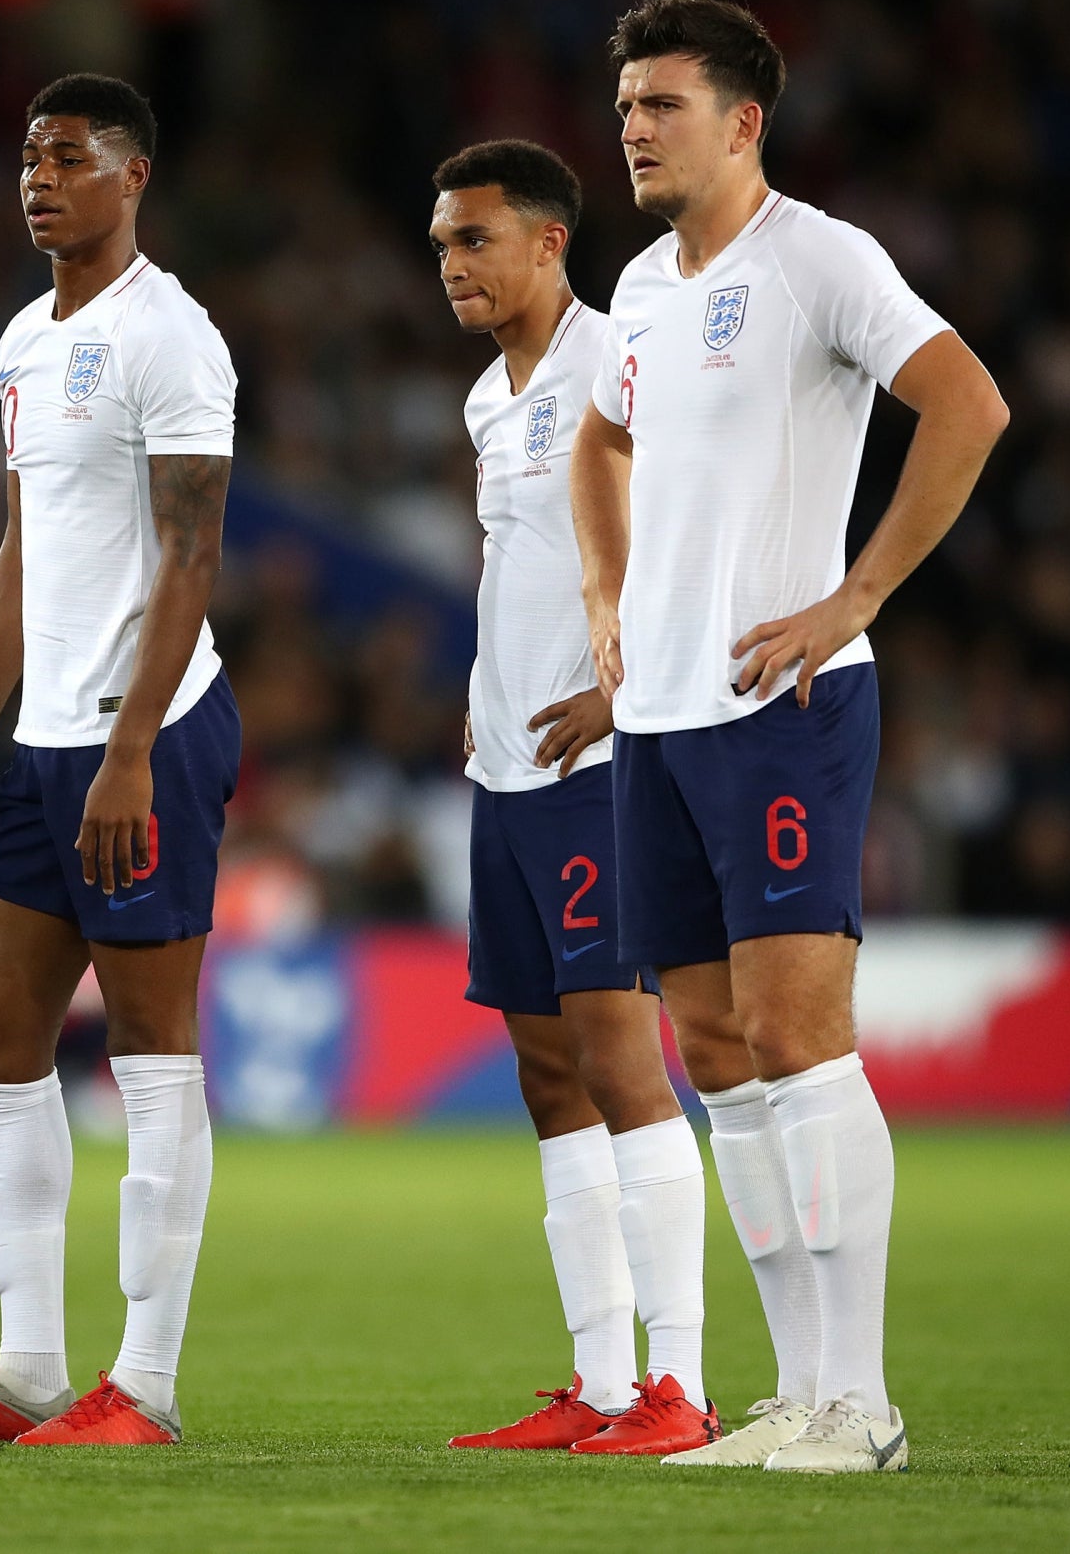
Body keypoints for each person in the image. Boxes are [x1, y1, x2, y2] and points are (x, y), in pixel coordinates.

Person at [570, 0, 1011, 1473]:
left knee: (797, 1034)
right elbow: (604, 438)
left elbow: (968, 403)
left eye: (663, 104)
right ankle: (792, 1393)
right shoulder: (634, 286)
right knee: (711, 1044)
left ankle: (861, 1398)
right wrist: (605, 590)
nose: (633, 126)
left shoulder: (820, 257)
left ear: (744, 120)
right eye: (626, 103)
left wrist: (857, 591)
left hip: (786, 706)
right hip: (659, 718)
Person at [0, 74, 239, 1447]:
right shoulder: (23, 344)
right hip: (41, 740)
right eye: (28, 156)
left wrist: (130, 745)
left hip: (143, 737)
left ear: (135, 174)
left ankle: (143, 1386)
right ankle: (34, 1365)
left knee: (151, 1049)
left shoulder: (176, 338)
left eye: (71, 155)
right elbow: (28, 545)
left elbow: (194, 552)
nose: (39, 176)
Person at [424, 140, 717, 1458]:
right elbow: (526, 562)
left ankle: (683, 1385)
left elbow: (685, 534)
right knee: (549, 1076)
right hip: (507, 767)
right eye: (440, 244)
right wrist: (493, 688)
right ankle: (600, 1385)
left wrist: (624, 687)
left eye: (473, 239)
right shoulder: (491, 398)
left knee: (619, 1057)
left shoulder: (622, 356)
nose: (451, 265)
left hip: (602, 765)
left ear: (549, 240)